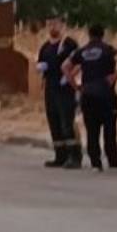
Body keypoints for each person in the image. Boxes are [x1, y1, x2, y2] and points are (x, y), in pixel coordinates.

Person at [64, 24, 117, 172]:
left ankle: (95, 164)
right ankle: (113, 162)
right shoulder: (107, 49)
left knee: (92, 130)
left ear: (89, 35)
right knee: (109, 130)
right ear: (102, 35)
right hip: (106, 94)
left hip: (88, 94)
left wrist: (75, 85)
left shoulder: (82, 51)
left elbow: (65, 66)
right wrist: (115, 76)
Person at [36, 16, 81, 168]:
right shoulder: (45, 47)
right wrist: (41, 70)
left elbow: (79, 63)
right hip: (51, 87)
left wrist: (70, 77)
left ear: (62, 25)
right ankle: (60, 155)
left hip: (65, 88)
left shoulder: (69, 44)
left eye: (55, 23)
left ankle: (74, 156)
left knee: (66, 122)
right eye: (49, 24)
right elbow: (41, 65)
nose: (52, 27)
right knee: (53, 121)